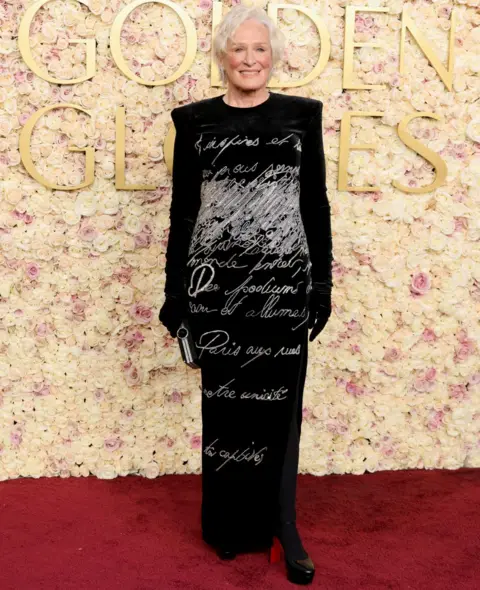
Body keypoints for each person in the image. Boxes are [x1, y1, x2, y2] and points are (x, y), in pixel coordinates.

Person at [159, 3, 333, 585]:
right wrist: (177, 296)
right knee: (227, 407)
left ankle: (284, 525)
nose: (250, 59)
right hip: (219, 289)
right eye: (240, 49)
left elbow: (315, 206)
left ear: (273, 57)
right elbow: (183, 213)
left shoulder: (302, 117)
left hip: (282, 287)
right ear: (223, 57)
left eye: (260, 49)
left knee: (280, 412)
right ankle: (230, 527)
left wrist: (321, 283)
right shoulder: (194, 121)